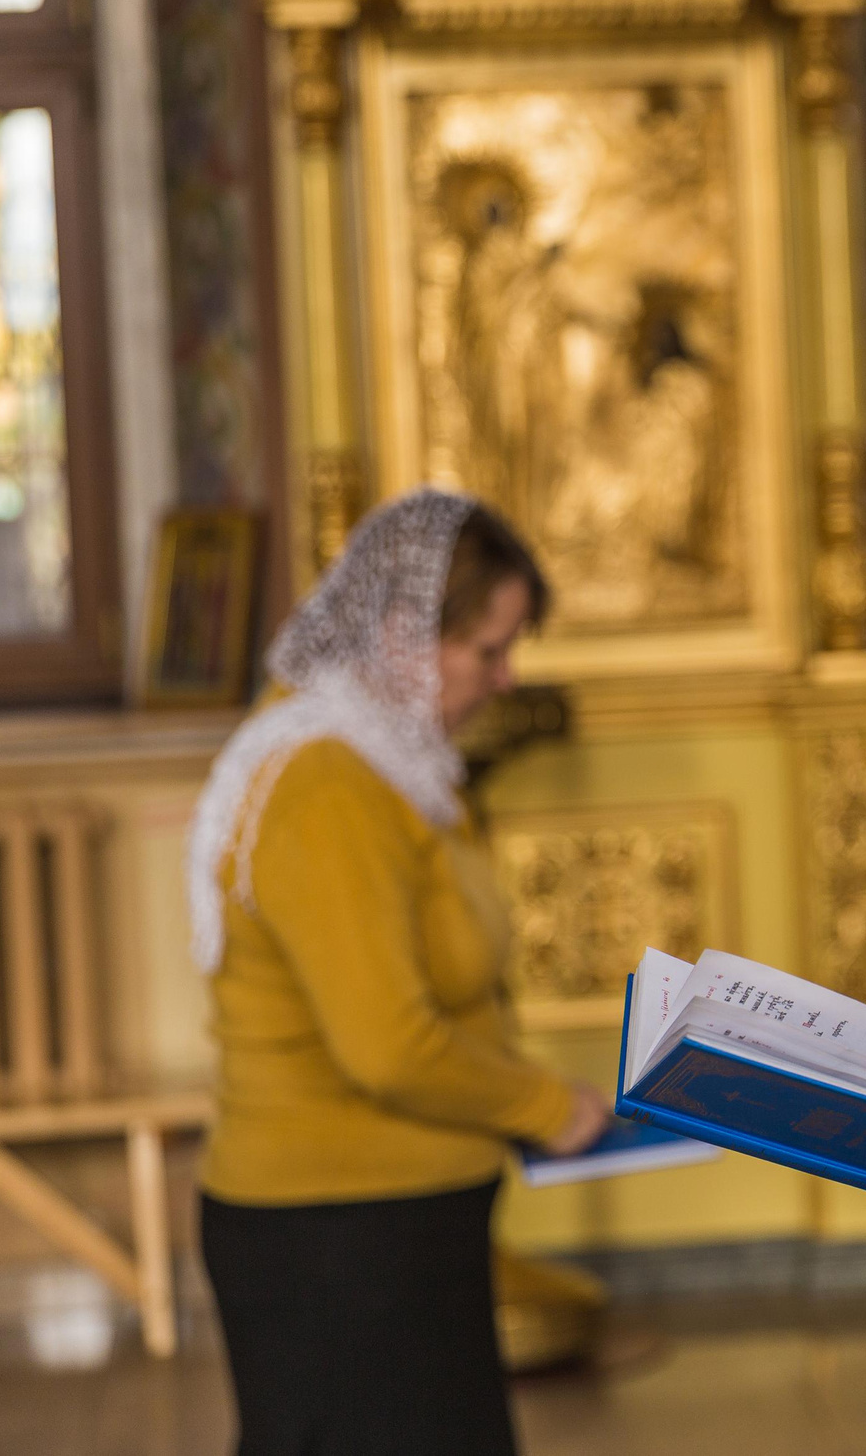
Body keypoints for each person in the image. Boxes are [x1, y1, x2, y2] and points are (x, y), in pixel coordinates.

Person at [187, 489, 609, 1456]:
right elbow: (387, 1046)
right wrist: (549, 1107)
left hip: (392, 1225)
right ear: (400, 631)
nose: (505, 679)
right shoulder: (326, 781)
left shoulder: (389, 758)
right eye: (489, 650)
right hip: (336, 1237)